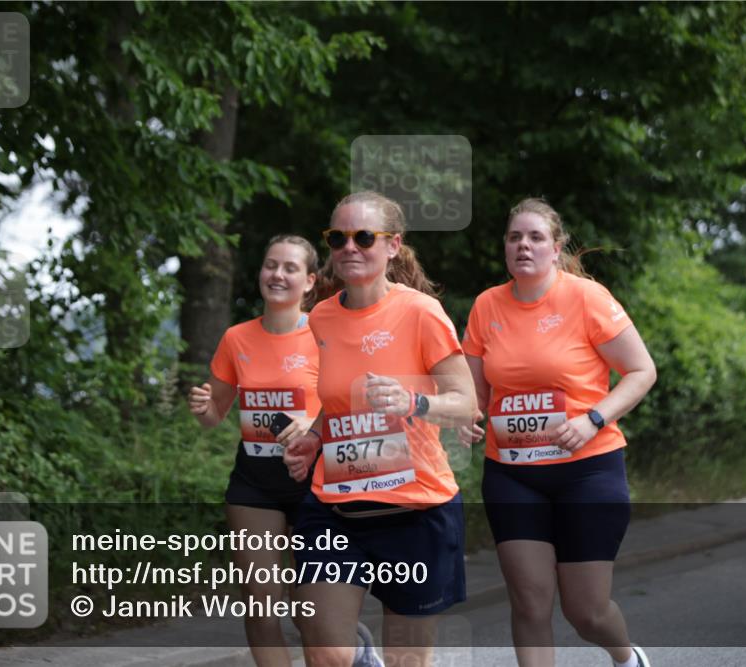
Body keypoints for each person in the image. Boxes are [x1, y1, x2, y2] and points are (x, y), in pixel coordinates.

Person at [282, 190, 478, 667]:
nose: (349, 247)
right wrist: (314, 437)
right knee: (326, 651)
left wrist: (413, 401)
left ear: (393, 245)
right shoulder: (322, 317)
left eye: (364, 237)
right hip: (335, 507)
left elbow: (466, 403)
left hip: (416, 509)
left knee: (407, 660)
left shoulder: (421, 312)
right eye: (337, 238)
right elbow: (337, 401)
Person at [459, 198, 657, 667]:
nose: (523, 245)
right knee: (529, 601)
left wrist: (593, 419)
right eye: (514, 237)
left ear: (556, 246)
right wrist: (465, 415)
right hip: (512, 473)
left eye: (535, 237)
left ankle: (626, 657)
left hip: (587, 471)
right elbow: (474, 395)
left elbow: (641, 371)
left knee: (585, 611)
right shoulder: (487, 306)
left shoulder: (587, 298)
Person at [188, 234, 320, 667]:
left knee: (312, 613)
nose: (277, 274)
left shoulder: (326, 335)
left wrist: (314, 425)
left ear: (310, 282)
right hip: (254, 482)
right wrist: (204, 408)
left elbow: (350, 402)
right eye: (270, 265)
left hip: (314, 481)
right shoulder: (237, 339)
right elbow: (216, 413)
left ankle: (351, 650)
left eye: (289, 268)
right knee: (261, 604)